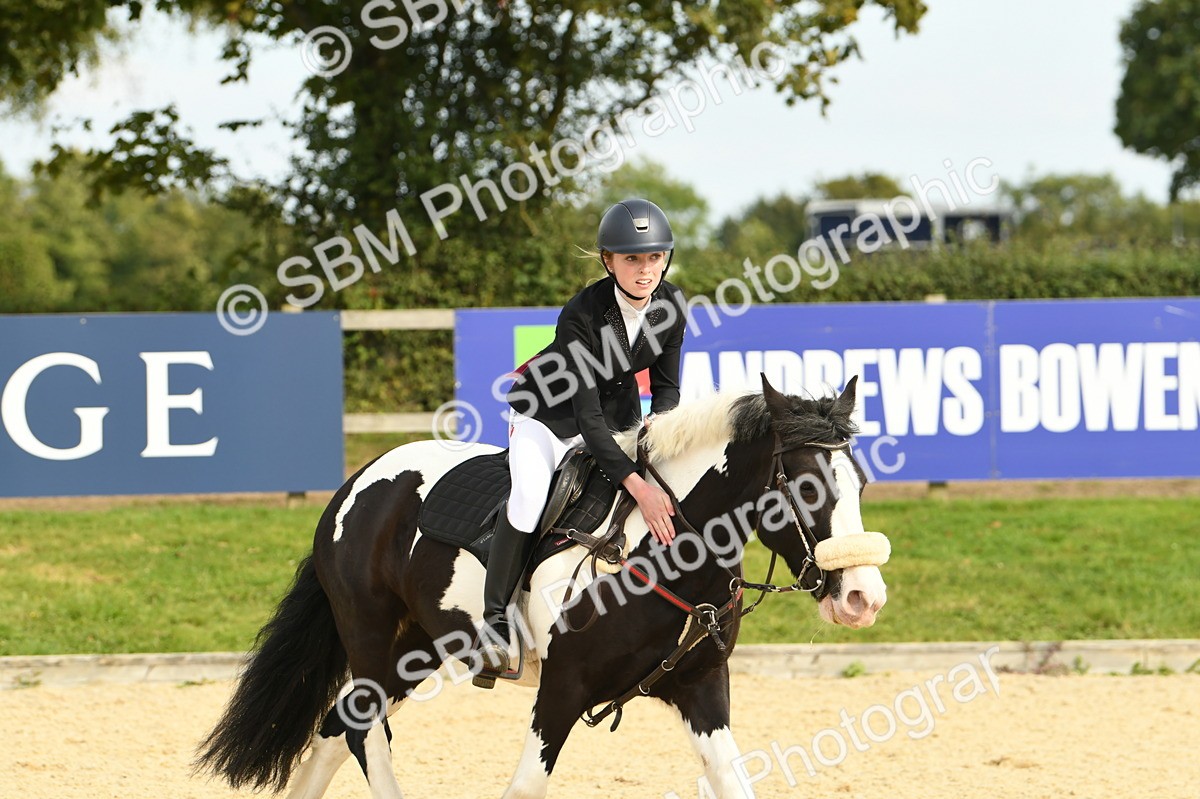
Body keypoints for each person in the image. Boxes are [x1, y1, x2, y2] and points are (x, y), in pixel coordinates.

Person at [475, 197, 689, 687]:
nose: (645, 269)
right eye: (632, 258)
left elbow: (667, 390)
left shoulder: (672, 305)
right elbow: (587, 420)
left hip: (618, 414)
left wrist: (657, 434)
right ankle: (495, 625)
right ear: (608, 261)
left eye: (654, 257)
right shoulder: (582, 314)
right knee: (530, 499)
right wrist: (637, 484)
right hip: (548, 416)